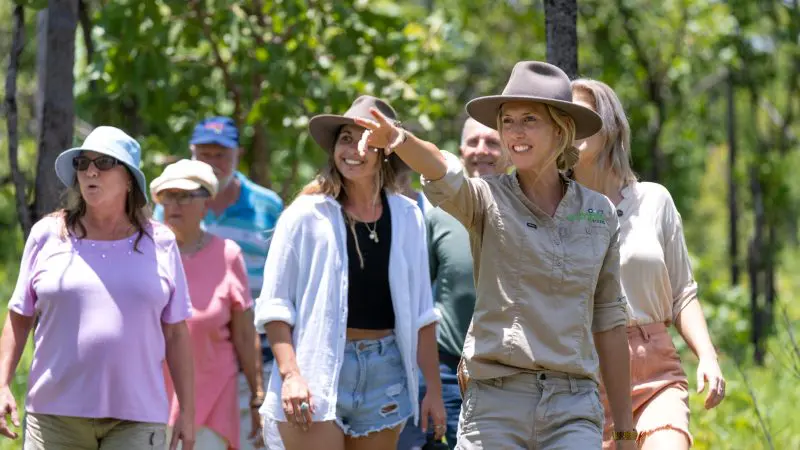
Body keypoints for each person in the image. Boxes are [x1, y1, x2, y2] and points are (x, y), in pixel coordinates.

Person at [352, 61, 638, 450]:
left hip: (573, 405)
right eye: (508, 121)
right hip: (495, 404)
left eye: (529, 120)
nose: (515, 133)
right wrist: (399, 138)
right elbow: (441, 170)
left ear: (560, 128)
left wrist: (623, 430)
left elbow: (608, 319)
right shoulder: (485, 198)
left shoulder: (598, 212)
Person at [254, 95, 446, 450]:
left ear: (385, 150)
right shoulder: (305, 215)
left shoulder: (407, 216)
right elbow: (274, 307)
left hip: (386, 372)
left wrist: (432, 390)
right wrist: (291, 375)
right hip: (316, 366)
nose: (353, 149)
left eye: (366, 139)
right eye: (345, 138)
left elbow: (423, 313)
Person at [0, 126, 195, 449]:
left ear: (129, 178)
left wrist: (187, 411)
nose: (91, 171)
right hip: (54, 416)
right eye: (83, 163)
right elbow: (19, 316)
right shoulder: (48, 234)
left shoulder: (160, 242)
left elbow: (175, 333)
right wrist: (2, 383)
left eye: (104, 162)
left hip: (137, 417)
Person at [571, 78, 726, 450]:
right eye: (565, 117)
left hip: (654, 368)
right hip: (582, 376)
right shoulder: (554, 210)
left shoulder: (655, 200)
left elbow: (683, 293)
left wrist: (707, 355)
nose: (572, 126)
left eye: (584, 116)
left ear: (609, 127)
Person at [153, 117, 284, 449]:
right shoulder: (156, 236)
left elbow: (280, 284)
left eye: (220, 154)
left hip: (244, 361)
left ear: (238, 154)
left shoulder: (266, 207)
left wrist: (260, 392)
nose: (212, 162)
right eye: (204, 154)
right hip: (159, 383)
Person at [397, 118, 510, 450]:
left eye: (492, 142)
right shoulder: (437, 213)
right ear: (461, 151)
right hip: (447, 371)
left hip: (510, 374)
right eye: (473, 142)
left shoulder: (527, 210)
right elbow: (415, 297)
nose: (482, 151)